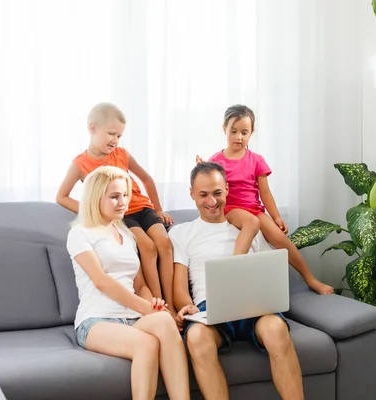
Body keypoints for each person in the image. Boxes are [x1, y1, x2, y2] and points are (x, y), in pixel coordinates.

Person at [170, 162, 304, 400]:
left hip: (253, 305)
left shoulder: (246, 227)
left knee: (276, 329)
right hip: (208, 308)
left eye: (217, 193)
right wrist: (186, 306)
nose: (212, 201)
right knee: (196, 337)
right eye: (203, 194)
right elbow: (179, 287)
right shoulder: (181, 233)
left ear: (227, 189)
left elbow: (268, 269)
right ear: (191, 193)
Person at [66, 165, 189, 400]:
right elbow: (101, 281)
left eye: (124, 195)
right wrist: (142, 307)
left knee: (164, 320)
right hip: (96, 321)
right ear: (95, 198)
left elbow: (140, 284)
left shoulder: (128, 236)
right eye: (114, 196)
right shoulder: (80, 233)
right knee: (146, 344)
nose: (122, 202)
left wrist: (150, 303)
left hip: (131, 319)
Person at [196, 104, 333, 295]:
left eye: (244, 132)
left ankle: (310, 278)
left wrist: (275, 217)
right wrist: (203, 167)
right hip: (232, 209)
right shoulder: (217, 160)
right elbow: (209, 181)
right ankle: (234, 267)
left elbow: (265, 193)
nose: (239, 137)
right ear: (224, 129)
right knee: (251, 222)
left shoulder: (256, 160)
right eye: (233, 131)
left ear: (252, 132)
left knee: (281, 239)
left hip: (254, 208)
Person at [57, 102, 176, 313]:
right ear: (93, 128)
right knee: (147, 247)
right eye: (111, 133)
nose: (115, 140)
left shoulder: (121, 154)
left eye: (119, 136)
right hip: (123, 215)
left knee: (164, 243)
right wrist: (91, 209)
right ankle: (160, 306)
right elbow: (62, 197)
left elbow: (146, 179)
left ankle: (172, 304)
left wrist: (158, 209)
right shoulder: (80, 163)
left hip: (143, 207)